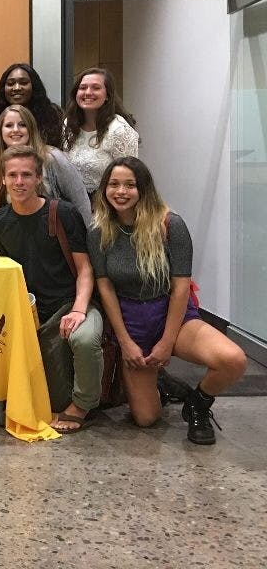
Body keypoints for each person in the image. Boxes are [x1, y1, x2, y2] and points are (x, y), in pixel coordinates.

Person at [88, 157, 246, 444]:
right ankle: (162, 384)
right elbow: (106, 288)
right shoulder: (99, 232)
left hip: (173, 315)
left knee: (232, 360)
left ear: (143, 189)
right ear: (104, 189)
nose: (120, 191)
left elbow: (181, 288)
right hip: (131, 321)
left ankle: (198, 404)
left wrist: (166, 342)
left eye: (129, 185)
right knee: (147, 419)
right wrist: (125, 342)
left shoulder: (170, 225)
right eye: (113, 184)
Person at [0, 145, 103, 433]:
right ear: (3, 179)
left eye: (26, 175)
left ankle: (83, 404)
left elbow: (85, 269)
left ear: (39, 178)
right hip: (33, 314)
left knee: (85, 339)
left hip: (73, 302)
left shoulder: (62, 213)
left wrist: (78, 310)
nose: (19, 182)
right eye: (12, 175)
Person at [0, 104, 91, 225]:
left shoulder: (52, 157)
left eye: (22, 125)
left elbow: (80, 200)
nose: (15, 130)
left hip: (58, 234)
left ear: (31, 128)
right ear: (0, 131)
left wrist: (87, 238)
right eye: (9, 125)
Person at [64, 67, 139, 196]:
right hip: (72, 203)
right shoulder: (68, 124)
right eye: (82, 88)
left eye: (96, 88)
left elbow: (130, 177)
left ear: (107, 96)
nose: (88, 92)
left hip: (107, 205)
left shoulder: (119, 130)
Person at [0, 63, 64, 148]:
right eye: (10, 83)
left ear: (34, 86)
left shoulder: (53, 115)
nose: (17, 88)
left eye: (23, 83)